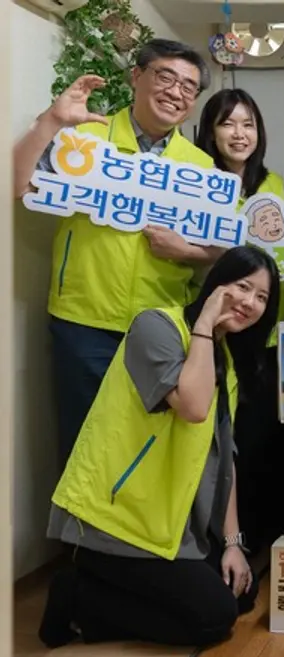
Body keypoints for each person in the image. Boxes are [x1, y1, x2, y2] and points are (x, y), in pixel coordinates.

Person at [39, 246, 280, 649]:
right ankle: (79, 598)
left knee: (242, 590)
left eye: (262, 297)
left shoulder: (223, 358)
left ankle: (96, 597)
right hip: (113, 520)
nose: (249, 302)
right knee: (213, 619)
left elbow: (225, 460)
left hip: (167, 524)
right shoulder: (156, 327)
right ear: (216, 282)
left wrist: (233, 544)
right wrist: (205, 324)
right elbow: (193, 407)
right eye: (242, 286)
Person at [13, 39, 217, 465]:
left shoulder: (199, 167)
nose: (175, 92)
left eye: (188, 87)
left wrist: (186, 250)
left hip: (160, 324)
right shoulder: (86, 139)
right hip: (84, 320)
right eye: (165, 76)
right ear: (136, 76)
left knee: (145, 450)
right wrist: (51, 121)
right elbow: (19, 186)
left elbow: (217, 250)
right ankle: (77, 515)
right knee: (82, 445)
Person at [196, 88, 284, 554]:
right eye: (228, 123)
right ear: (210, 131)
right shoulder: (195, 179)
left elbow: (277, 251)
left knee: (274, 434)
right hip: (221, 326)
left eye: (248, 124)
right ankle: (233, 542)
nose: (239, 134)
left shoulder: (272, 183)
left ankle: (275, 540)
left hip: (270, 326)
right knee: (232, 436)